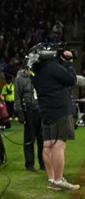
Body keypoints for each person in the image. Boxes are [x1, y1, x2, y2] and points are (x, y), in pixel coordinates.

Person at [32, 48, 80, 190]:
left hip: (46, 111)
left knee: (47, 145)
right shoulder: (52, 67)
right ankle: (58, 179)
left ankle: (52, 179)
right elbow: (71, 79)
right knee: (59, 145)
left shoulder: (36, 69)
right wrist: (69, 63)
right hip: (59, 110)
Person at [13, 65, 44, 172]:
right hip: (29, 111)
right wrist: (20, 112)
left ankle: (43, 163)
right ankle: (29, 164)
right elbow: (17, 97)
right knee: (29, 139)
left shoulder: (39, 77)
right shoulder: (20, 79)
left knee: (42, 139)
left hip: (40, 111)